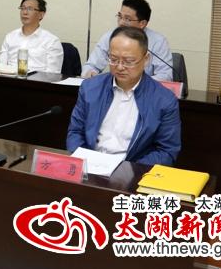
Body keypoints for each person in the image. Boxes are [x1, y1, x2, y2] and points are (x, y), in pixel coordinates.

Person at [66, 26, 181, 166]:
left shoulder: (164, 100)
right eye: (113, 59)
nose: (120, 67)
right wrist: (85, 161)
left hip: (133, 171)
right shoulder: (90, 88)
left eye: (128, 61)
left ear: (146, 59)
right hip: (89, 166)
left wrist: (130, 170)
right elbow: (75, 132)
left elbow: (166, 151)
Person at [81, 0, 173, 81]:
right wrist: (90, 73)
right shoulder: (109, 37)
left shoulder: (158, 42)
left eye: (127, 19)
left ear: (142, 23)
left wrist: (136, 84)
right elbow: (90, 66)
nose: (121, 22)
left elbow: (165, 76)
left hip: (145, 91)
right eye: (120, 16)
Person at [0, 0, 64, 74]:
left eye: (30, 9)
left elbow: (52, 74)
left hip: (36, 81)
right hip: (9, 79)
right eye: (22, 8)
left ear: (41, 14)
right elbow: (1, 66)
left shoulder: (52, 41)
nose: (25, 12)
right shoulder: (10, 37)